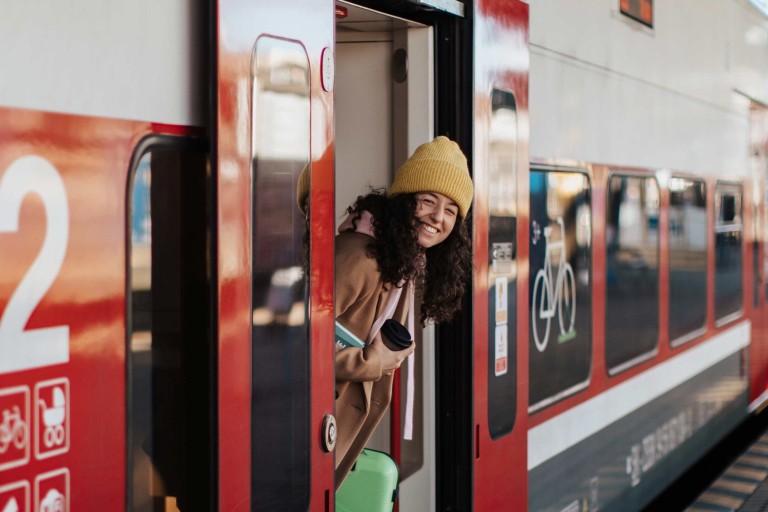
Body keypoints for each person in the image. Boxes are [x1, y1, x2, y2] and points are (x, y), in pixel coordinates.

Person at [333, 136, 473, 487]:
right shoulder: (360, 258)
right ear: (403, 202)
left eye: (451, 210)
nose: (438, 217)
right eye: (428, 201)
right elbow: (294, 341)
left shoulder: (402, 262)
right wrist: (372, 363)